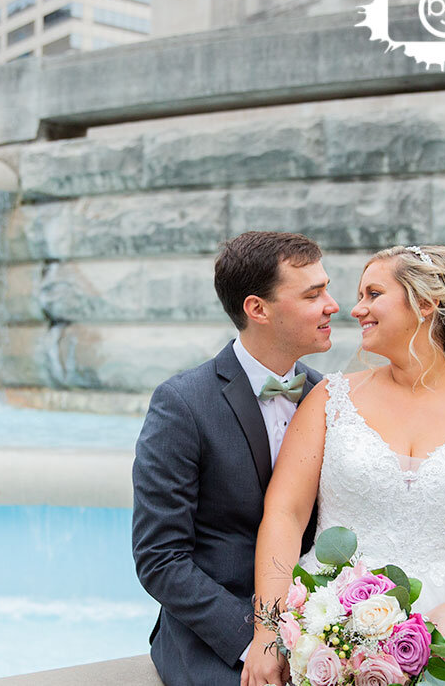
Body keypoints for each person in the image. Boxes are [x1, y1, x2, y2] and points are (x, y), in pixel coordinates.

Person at [242, 244, 445, 686]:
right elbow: (285, 515)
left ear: (424, 303)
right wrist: (268, 631)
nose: (356, 309)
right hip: (334, 630)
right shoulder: (328, 400)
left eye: (373, 294)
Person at [133, 231, 341, 686]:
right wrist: (257, 640)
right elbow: (159, 557)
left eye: (326, 288)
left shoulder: (330, 397)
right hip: (219, 637)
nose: (333, 305)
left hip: (324, 626)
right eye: (313, 294)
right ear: (258, 309)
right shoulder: (182, 404)